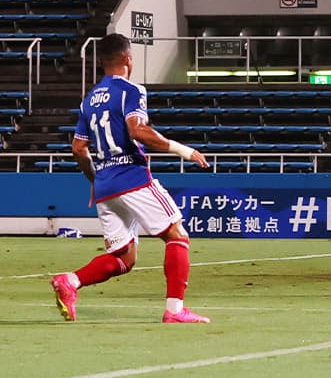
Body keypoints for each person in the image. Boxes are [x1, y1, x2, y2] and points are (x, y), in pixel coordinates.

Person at [50, 33, 213, 324]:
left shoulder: (89, 101)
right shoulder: (131, 90)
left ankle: (70, 282)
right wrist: (183, 150)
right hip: (132, 177)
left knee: (125, 259)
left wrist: (93, 179)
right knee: (177, 235)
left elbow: (78, 148)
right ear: (127, 59)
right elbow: (137, 130)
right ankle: (175, 311)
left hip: (105, 185)